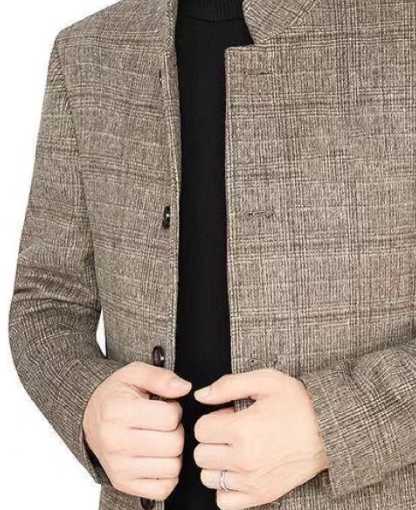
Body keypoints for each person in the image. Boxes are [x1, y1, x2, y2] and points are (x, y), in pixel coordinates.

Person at [9, 0, 416, 510]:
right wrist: (87, 402)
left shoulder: (402, 32)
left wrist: (333, 425)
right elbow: (47, 297)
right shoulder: (88, 51)